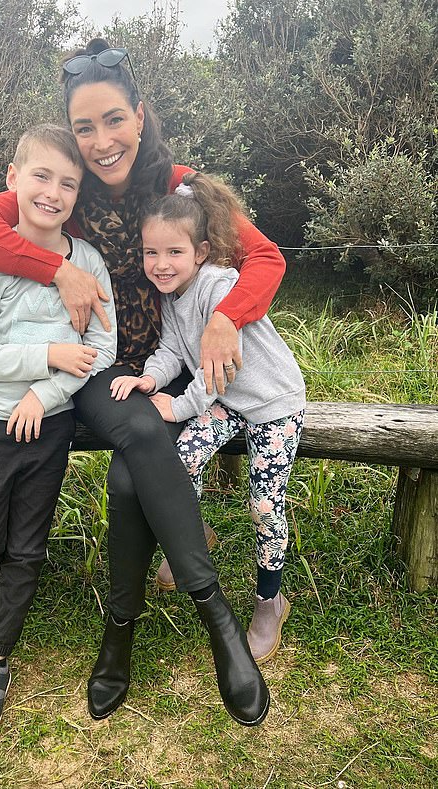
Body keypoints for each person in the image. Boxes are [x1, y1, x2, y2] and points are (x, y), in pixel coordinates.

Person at [0, 38, 287, 727]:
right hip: (97, 366)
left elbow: (267, 257)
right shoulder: (64, 188)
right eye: (83, 126)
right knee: (134, 432)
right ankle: (213, 613)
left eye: (113, 120)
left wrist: (226, 318)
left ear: (140, 113)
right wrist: (58, 269)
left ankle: (122, 629)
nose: (100, 141)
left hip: (170, 367)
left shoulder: (180, 187)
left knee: (131, 476)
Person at [0, 123, 117, 744]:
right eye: (42, 177)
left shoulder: (90, 261)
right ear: (12, 180)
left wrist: (45, 393)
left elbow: (98, 347)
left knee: (28, 546)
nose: (52, 193)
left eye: (68, 184)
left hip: (50, 424)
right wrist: (48, 351)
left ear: (78, 196)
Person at [110, 172, 306, 665]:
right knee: (180, 460)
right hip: (229, 403)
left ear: (200, 252)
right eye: (151, 253)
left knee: (264, 506)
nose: (160, 264)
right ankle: (194, 536)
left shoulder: (217, 285)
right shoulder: (171, 294)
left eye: (174, 253)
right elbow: (175, 349)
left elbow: (220, 369)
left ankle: (269, 599)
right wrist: (150, 381)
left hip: (271, 405)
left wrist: (177, 406)